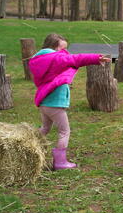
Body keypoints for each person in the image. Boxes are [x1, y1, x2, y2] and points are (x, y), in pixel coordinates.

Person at [29, 34, 111, 170]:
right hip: (54, 104)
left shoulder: (40, 59)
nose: (64, 52)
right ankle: (60, 163)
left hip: (44, 102)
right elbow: (75, 58)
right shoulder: (55, 58)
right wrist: (95, 58)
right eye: (62, 48)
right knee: (64, 131)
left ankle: (27, 143)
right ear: (54, 46)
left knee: (45, 128)